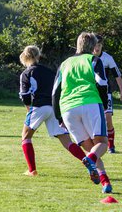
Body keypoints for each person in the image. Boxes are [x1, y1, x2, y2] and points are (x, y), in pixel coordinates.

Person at [52, 32, 113, 193]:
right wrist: (104, 104)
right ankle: (90, 161)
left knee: (91, 149)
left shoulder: (64, 64)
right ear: (94, 47)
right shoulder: (94, 60)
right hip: (90, 103)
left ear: (77, 45)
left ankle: (105, 183)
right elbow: (102, 83)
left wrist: (59, 117)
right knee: (102, 144)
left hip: (67, 108)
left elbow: (55, 93)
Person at [19, 45, 87, 176]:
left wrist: (29, 110)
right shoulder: (50, 72)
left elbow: (25, 95)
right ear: (38, 56)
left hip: (38, 106)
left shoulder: (26, 73)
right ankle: (87, 160)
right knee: (67, 141)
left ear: (24, 57)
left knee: (26, 137)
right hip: (54, 108)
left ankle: (32, 170)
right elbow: (59, 90)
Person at [93, 34, 122, 154]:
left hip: (105, 93)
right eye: (95, 45)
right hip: (91, 94)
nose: (97, 48)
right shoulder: (87, 58)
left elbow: (117, 75)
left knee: (108, 120)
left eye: (99, 45)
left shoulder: (108, 58)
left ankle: (111, 146)